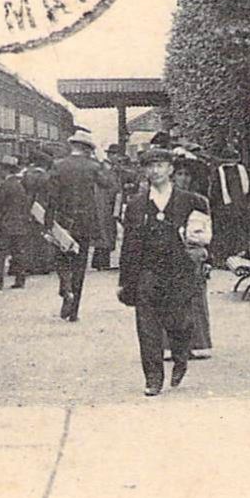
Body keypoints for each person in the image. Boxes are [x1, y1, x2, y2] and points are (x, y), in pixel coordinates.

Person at [118, 147, 211, 396]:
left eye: (160, 166)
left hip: (179, 271)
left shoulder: (190, 200)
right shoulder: (136, 205)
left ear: (170, 169)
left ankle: (181, 358)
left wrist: (202, 256)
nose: (155, 171)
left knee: (180, 324)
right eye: (150, 166)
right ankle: (153, 379)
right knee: (147, 328)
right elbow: (128, 246)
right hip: (146, 272)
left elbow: (202, 235)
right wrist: (126, 281)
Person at [47, 128, 105, 321]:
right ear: (88, 148)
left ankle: (65, 287)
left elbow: (52, 197)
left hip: (64, 221)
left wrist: (49, 222)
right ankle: (74, 313)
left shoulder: (58, 165)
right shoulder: (93, 166)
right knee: (80, 265)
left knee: (61, 259)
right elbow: (110, 184)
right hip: (86, 222)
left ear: (72, 145)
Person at [172, 150, 215, 358]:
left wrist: (209, 259)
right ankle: (173, 345)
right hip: (170, 253)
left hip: (194, 253)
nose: (183, 179)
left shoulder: (200, 201)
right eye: (179, 174)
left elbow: (208, 231)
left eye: (187, 175)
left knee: (194, 299)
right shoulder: (165, 199)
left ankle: (193, 343)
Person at [0, 156, 31, 289]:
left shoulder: (6, 185)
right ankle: (20, 280)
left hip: (6, 224)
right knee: (18, 253)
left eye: (1, 169)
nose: (0, 171)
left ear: (6, 170)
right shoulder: (19, 185)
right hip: (19, 224)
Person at [89, 151, 121, 271]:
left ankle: (100, 262)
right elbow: (114, 188)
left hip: (106, 205)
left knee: (105, 233)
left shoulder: (109, 171)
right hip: (104, 205)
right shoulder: (106, 172)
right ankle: (101, 262)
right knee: (105, 233)